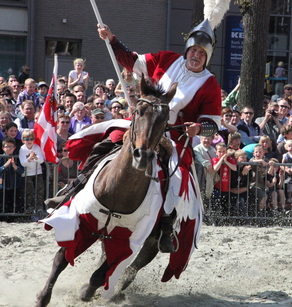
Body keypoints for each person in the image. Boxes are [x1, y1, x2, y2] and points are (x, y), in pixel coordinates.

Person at [48, 18, 222, 288]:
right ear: (187, 50)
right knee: (108, 140)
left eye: (202, 54)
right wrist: (112, 38)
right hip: (141, 126)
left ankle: (165, 224)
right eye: (193, 51)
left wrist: (198, 127)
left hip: (174, 137)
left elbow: (215, 125)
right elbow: (132, 61)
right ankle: (76, 186)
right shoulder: (166, 58)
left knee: (178, 179)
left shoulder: (210, 84)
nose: (196, 56)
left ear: (206, 57)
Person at [18, 129, 44, 214]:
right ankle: (30, 208)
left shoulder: (37, 147)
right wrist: (30, 158)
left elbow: (41, 161)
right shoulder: (22, 149)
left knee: (39, 191)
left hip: (38, 172)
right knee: (29, 192)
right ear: (23, 140)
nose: (29, 141)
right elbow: (23, 163)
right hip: (27, 174)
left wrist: (35, 157)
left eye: (31, 139)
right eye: (27, 139)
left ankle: (39, 207)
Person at [0, 137, 24, 215]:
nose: (9, 148)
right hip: (3, 185)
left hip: (15, 184)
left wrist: (14, 166)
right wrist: (5, 166)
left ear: (14, 148)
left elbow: (21, 171)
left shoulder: (18, 158)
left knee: (15, 202)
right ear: (3, 148)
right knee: (3, 203)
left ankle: (15, 217)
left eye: (11, 146)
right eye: (7, 146)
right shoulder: (1, 158)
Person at [211, 143, 237, 215]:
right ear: (216, 152)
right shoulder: (215, 159)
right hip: (217, 186)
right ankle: (215, 219)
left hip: (226, 187)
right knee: (216, 204)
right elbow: (215, 168)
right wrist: (221, 159)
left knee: (225, 206)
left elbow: (234, 168)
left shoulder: (230, 159)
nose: (222, 153)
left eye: (223, 151)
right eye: (219, 151)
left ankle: (225, 220)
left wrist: (225, 161)